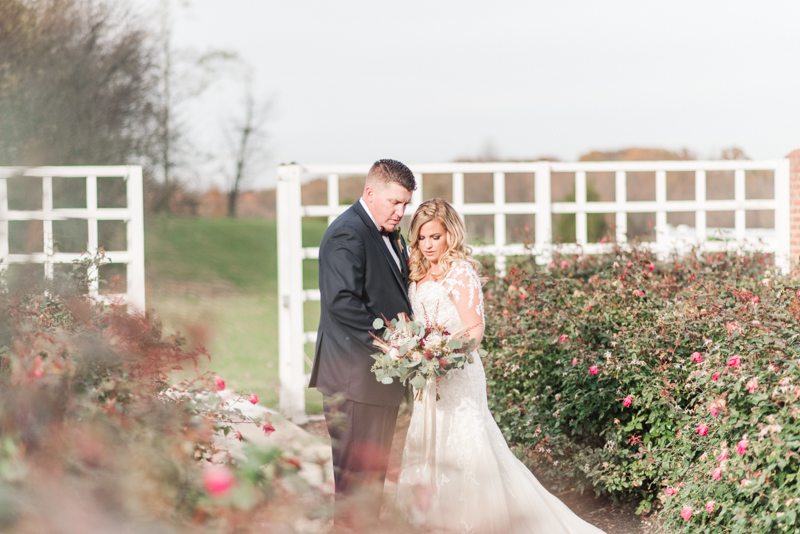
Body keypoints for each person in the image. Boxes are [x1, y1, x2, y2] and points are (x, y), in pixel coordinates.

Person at [396, 198, 607, 533]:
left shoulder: (460, 273)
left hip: (457, 373)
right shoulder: (416, 270)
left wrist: (444, 357)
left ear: (451, 234)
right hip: (427, 380)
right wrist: (415, 355)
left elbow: (475, 330)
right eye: (422, 238)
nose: (428, 245)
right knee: (428, 444)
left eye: (435, 237)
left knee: (468, 446)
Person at [309, 159, 416, 527]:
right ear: (370, 193)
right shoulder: (347, 233)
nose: (401, 212)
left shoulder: (388, 234)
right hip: (355, 381)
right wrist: (394, 342)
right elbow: (342, 300)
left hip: (377, 381)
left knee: (370, 484)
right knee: (356, 487)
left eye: (405, 204)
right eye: (394, 203)